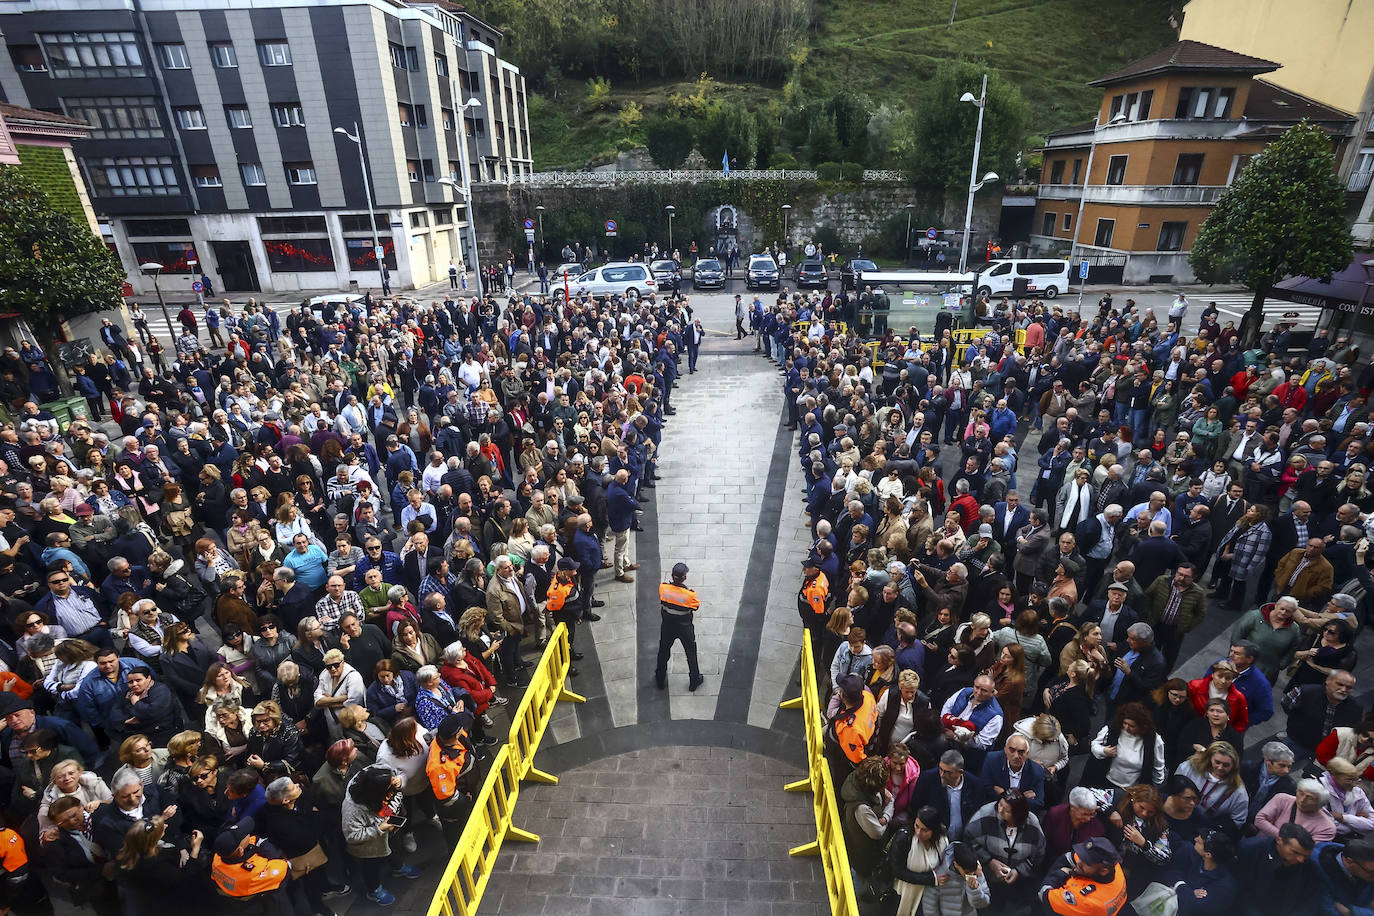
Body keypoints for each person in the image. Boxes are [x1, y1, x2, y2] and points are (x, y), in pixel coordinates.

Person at [655, 561, 703, 691]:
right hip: (685, 628)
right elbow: (696, 606)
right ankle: (694, 680)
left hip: (667, 626)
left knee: (663, 652)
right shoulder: (690, 595)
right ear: (684, 578)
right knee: (691, 654)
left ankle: (660, 679)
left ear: (671, 575)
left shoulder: (663, 588)